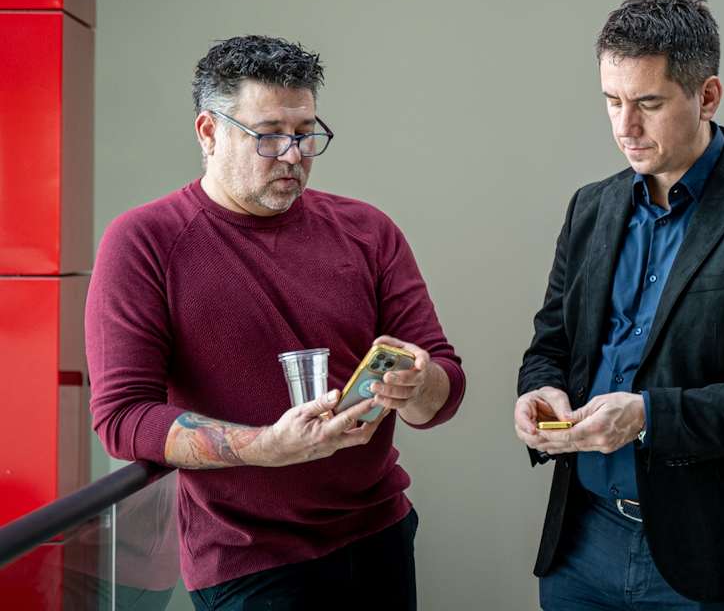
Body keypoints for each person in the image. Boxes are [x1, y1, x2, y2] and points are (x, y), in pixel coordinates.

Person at [86, 35, 466, 610]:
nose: (293, 155)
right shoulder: (144, 242)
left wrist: (417, 383)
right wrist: (267, 446)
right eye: (269, 136)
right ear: (209, 133)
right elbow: (122, 417)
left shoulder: (368, 230)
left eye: (306, 133)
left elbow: (443, 392)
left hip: (380, 533)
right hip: (247, 560)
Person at [515, 0, 724, 609]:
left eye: (648, 103)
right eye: (612, 101)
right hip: (581, 545)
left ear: (708, 96)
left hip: (714, 551)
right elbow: (551, 344)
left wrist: (649, 416)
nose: (625, 127)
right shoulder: (591, 206)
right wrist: (539, 391)